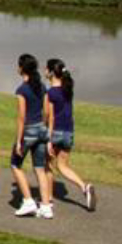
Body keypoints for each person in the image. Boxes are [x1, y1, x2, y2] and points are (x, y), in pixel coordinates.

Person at [45, 58, 96, 212]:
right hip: (69, 132)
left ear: (52, 73)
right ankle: (84, 187)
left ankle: (47, 201)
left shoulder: (50, 93)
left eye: (46, 69)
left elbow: (49, 117)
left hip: (55, 132)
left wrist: (48, 139)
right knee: (63, 166)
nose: (44, 71)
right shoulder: (68, 90)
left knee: (47, 166)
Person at [11, 53, 54, 218]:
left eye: (18, 65)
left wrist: (20, 141)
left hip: (28, 130)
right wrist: (44, 129)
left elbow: (21, 117)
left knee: (15, 164)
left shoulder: (22, 90)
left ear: (22, 68)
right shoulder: (42, 87)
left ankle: (28, 201)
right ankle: (46, 206)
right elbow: (46, 112)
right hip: (42, 130)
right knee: (39, 169)